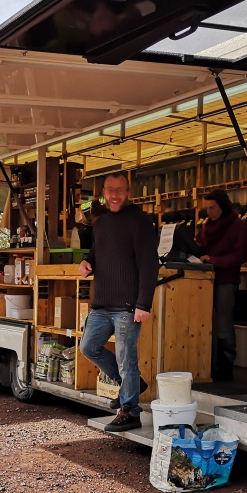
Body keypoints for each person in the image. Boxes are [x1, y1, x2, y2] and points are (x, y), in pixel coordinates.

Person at [78, 172, 159, 432]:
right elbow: (96, 252)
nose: (115, 194)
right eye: (110, 190)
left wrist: (144, 304)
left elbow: (149, 265)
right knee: (88, 347)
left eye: (120, 190)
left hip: (127, 305)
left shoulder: (140, 222)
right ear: (103, 192)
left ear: (128, 193)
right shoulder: (100, 223)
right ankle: (131, 386)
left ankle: (131, 410)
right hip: (101, 304)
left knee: (127, 359)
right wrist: (86, 261)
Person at [196, 189, 247, 380]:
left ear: (222, 206)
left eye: (212, 207)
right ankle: (212, 364)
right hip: (207, 280)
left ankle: (226, 365)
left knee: (224, 323)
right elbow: (199, 245)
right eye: (206, 208)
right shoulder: (207, 226)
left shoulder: (237, 225)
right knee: (207, 322)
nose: (208, 212)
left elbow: (239, 256)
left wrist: (213, 260)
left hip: (226, 280)